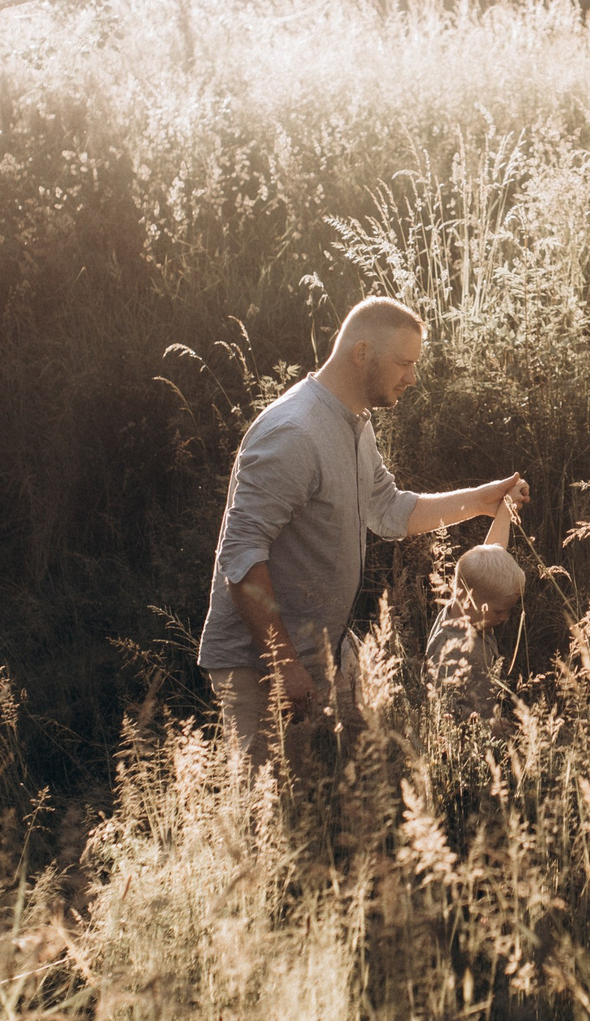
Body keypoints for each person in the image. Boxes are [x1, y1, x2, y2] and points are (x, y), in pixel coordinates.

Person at [195, 295, 527, 772]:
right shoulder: (293, 432)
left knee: (358, 788)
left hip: (327, 652)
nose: (413, 378)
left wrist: (480, 500)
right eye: (405, 363)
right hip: (263, 667)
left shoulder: (355, 424)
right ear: (362, 353)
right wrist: (284, 664)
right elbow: (241, 555)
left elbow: (389, 510)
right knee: (275, 806)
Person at [425, 497, 528, 726]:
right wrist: (488, 727)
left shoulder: (468, 606)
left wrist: (507, 506)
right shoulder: (451, 649)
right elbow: (447, 713)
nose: (505, 618)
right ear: (469, 599)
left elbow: (491, 557)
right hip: (471, 737)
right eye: (500, 611)